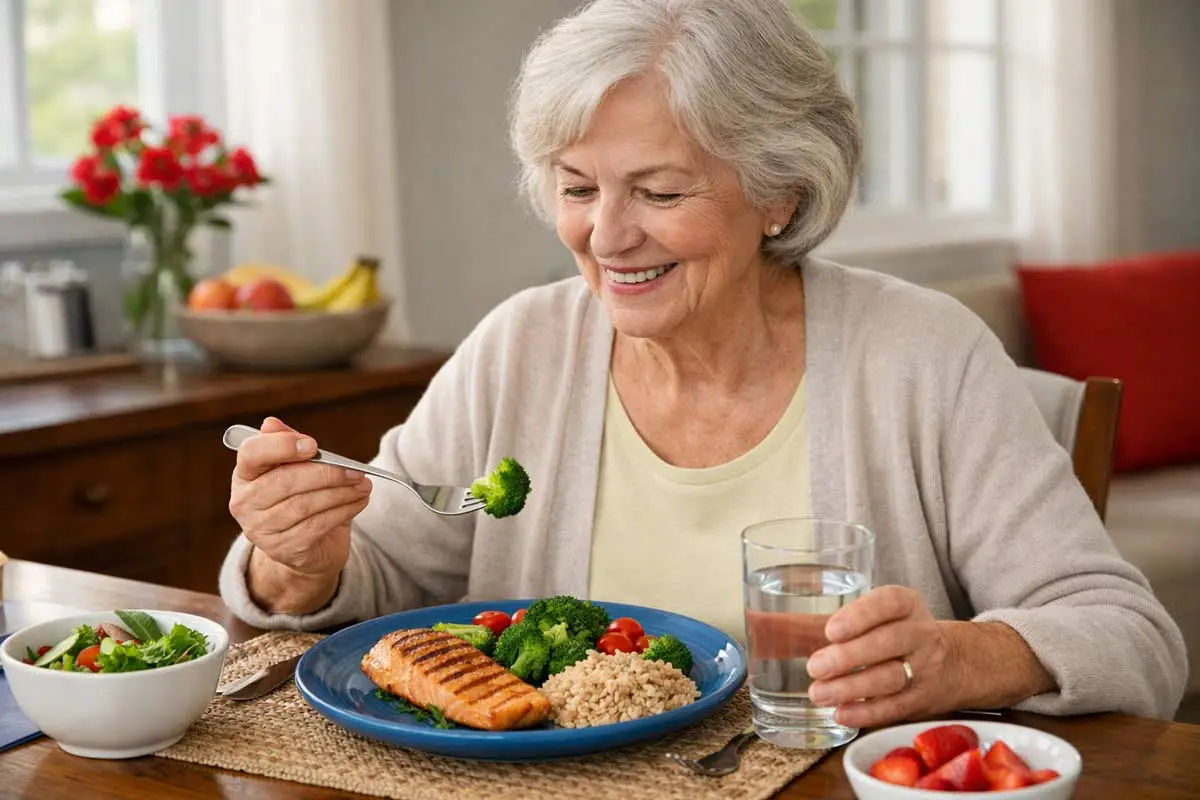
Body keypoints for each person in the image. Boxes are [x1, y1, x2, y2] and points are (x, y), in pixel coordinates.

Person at [219, 0, 1188, 728]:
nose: (606, 235)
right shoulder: (523, 345)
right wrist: (298, 560)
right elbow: (382, 573)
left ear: (780, 194)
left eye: (660, 189)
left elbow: (1133, 638)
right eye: (577, 187)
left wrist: (964, 657)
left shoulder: (923, 354)